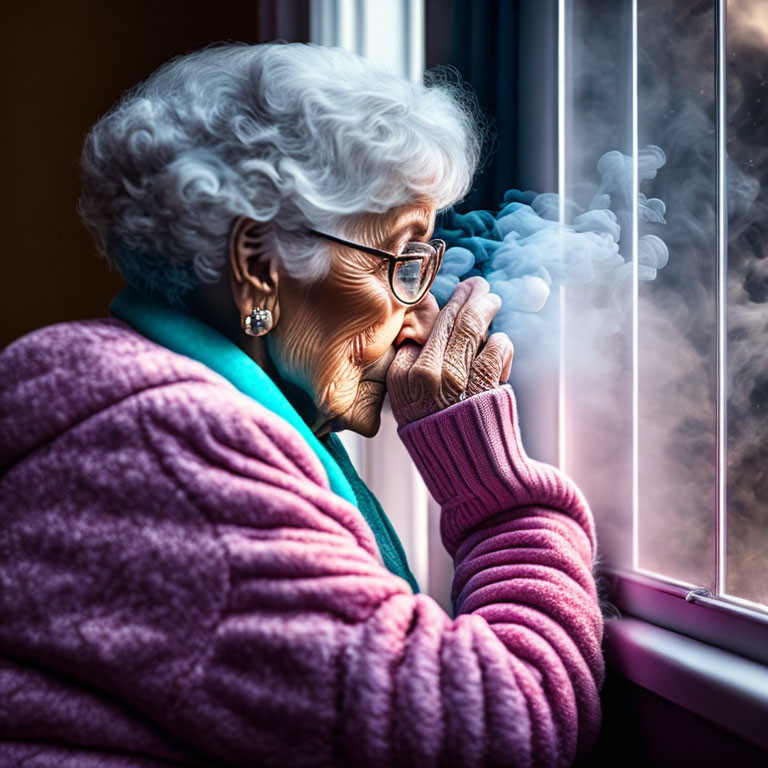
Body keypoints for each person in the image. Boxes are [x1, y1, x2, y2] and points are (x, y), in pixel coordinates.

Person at [0, 42, 604, 767]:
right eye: (402, 263)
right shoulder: (172, 442)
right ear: (258, 267)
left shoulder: (137, 408)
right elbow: (504, 725)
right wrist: (496, 496)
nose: (419, 319)